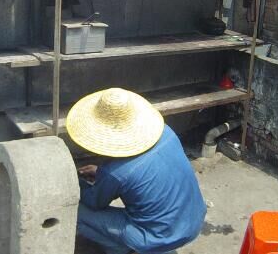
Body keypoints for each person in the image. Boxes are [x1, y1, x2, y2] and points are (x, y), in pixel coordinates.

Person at [66, 88, 207, 254]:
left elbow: (94, 202)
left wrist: (76, 183)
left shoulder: (114, 172)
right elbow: (146, 171)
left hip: (160, 236)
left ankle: (123, 248)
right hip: (194, 220)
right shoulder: (167, 132)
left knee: (76, 213)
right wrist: (102, 174)